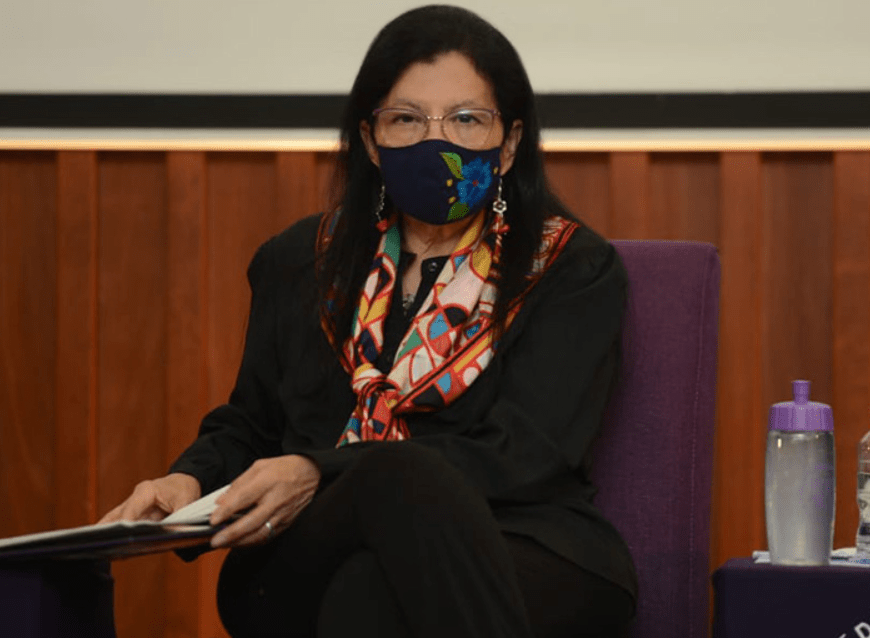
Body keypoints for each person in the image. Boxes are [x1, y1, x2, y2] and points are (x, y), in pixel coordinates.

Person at [100, 5, 638, 637]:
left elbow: (528, 454)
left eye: (467, 119)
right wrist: (187, 481)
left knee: (373, 579)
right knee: (369, 544)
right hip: (312, 549)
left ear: (511, 142)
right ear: (370, 140)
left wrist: (324, 470)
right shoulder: (301, 262)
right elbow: (252, 424)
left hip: (518, 543)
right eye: (406, 119)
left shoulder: (570, 268)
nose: (437, 142)